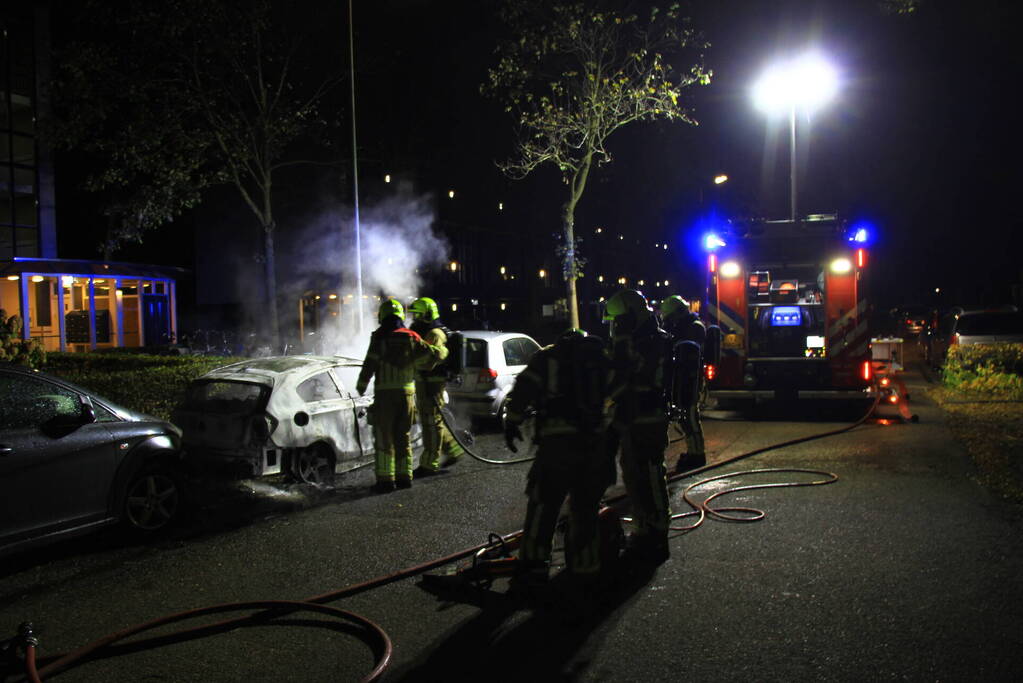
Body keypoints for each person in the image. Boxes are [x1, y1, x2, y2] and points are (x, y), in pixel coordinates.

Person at [504, 329, 612, 595]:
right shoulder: (601, 359)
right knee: (585, 507)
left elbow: (523, 391)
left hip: (557, 446)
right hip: (595, 444)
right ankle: (586, 569)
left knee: (544, 503)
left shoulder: (547, 357)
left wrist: (513, 422)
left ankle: (534, 567)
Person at [603, 289, 673, 563]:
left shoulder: (651, 341)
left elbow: (626, 379)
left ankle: (657, 531)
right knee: (633, 474)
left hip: (648, 416)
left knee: (650, 473)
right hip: (633, 417)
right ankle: (644, 528)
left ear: (630, 317)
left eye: (618, 321)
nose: (615, 326)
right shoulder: (639, 338)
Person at [356, 298, 442, 493]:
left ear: (383, 315)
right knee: (403, 437)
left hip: (385, 396)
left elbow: (370, 362)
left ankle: (386, 480)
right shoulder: (411, 336)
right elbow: (433, 354)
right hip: (407, 396)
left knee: (384, 438)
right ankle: (405, 477)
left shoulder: (379, 338)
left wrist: (361, 385)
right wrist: (424, 365)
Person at [408, 296, 465, 475]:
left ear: (427, 314)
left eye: (418, 315)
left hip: (432, 385)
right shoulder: (427, 332)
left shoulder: (435, 334)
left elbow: (429, 361)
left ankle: (429, 464)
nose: (415, 319)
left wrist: (411, 363)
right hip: (426, 384)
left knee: (431, 424)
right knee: (435, 421)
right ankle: (455, 450)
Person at [661, 295, 707, 472]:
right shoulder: (684, 326)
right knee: (685, 417)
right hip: (683, 379)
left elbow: (686, 351)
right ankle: (693, 451)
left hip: (690, 379)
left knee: (690, 417)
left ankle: (697, 454)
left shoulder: (694, 328)